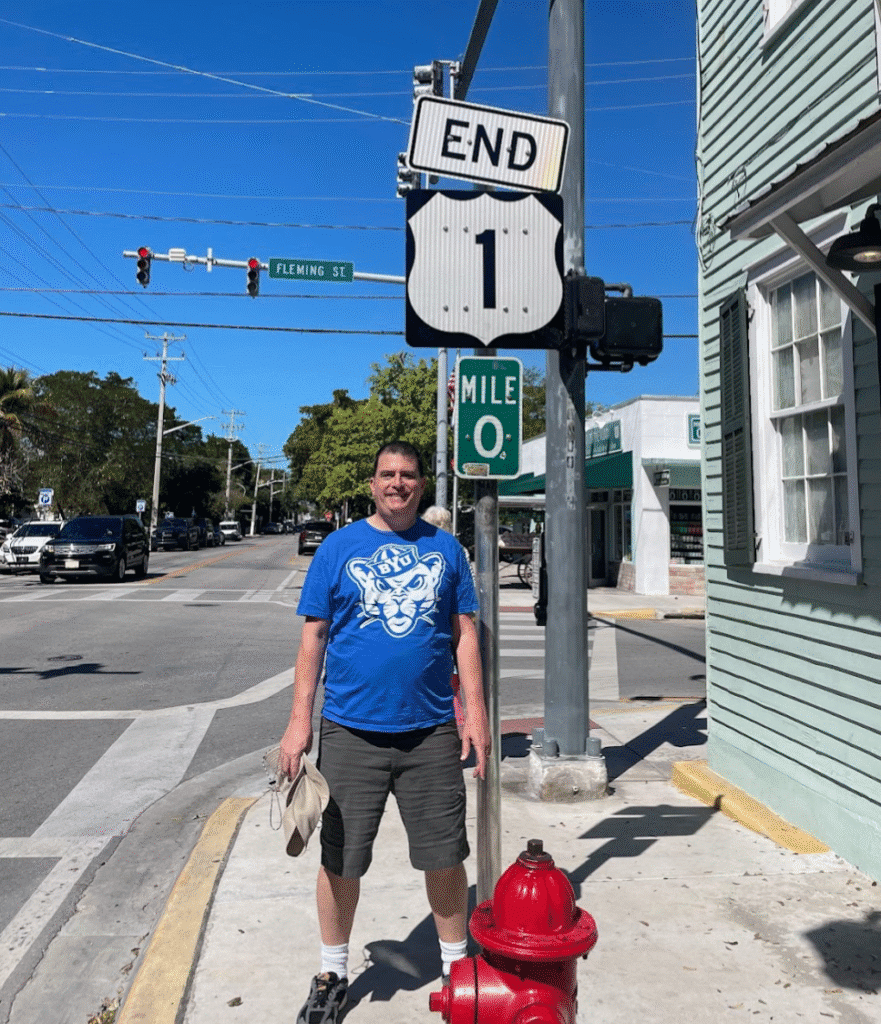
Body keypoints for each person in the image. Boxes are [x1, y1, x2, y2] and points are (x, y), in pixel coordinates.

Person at [277, 441, 490, 1024]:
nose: (398, 484)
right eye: (387, 475)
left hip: (429, 734)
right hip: (350, 732)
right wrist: (299, 724)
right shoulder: (339, 548)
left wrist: (476, 714)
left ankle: (456, 969)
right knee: (340, 860)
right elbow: (313, 638)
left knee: (445, 859)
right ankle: (332, 972)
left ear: (422, 485)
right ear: (371, 483)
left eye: (409, 475)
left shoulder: (446, 551)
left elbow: (464, 633)